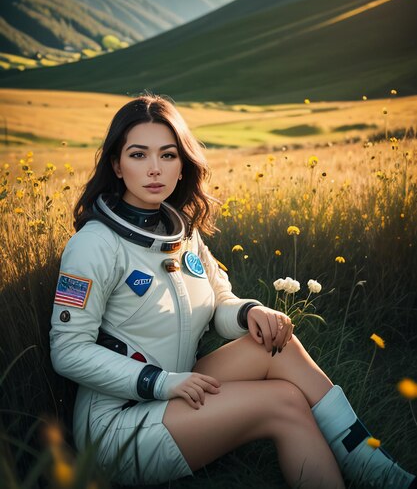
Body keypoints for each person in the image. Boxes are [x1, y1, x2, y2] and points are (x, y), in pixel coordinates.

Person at [50, 93, 415, 489]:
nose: (155, 169)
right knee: (283, 404)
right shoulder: (94, 245)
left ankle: (379, 473)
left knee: (277, 345)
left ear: (182, 163)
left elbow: (219, 302)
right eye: (139, 155)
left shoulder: (182, 232)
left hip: (175, 384)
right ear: (117, 165)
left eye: (168, 155)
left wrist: (249, 313)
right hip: (116, 425)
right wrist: (160, 382)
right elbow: (68, 351)